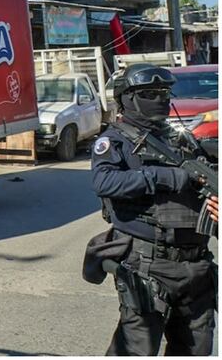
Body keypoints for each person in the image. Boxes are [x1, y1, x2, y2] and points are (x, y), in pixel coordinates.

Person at [89, 64, 218, 355]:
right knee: (137, 349)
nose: (160, 99)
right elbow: (104, 181)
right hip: (149, 265)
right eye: (149, 93)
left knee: (196, 350)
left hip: (196, 269)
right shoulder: (116, 141)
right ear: (127, 98)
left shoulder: (178, 138)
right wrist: (165, 177)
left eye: (164, 93)